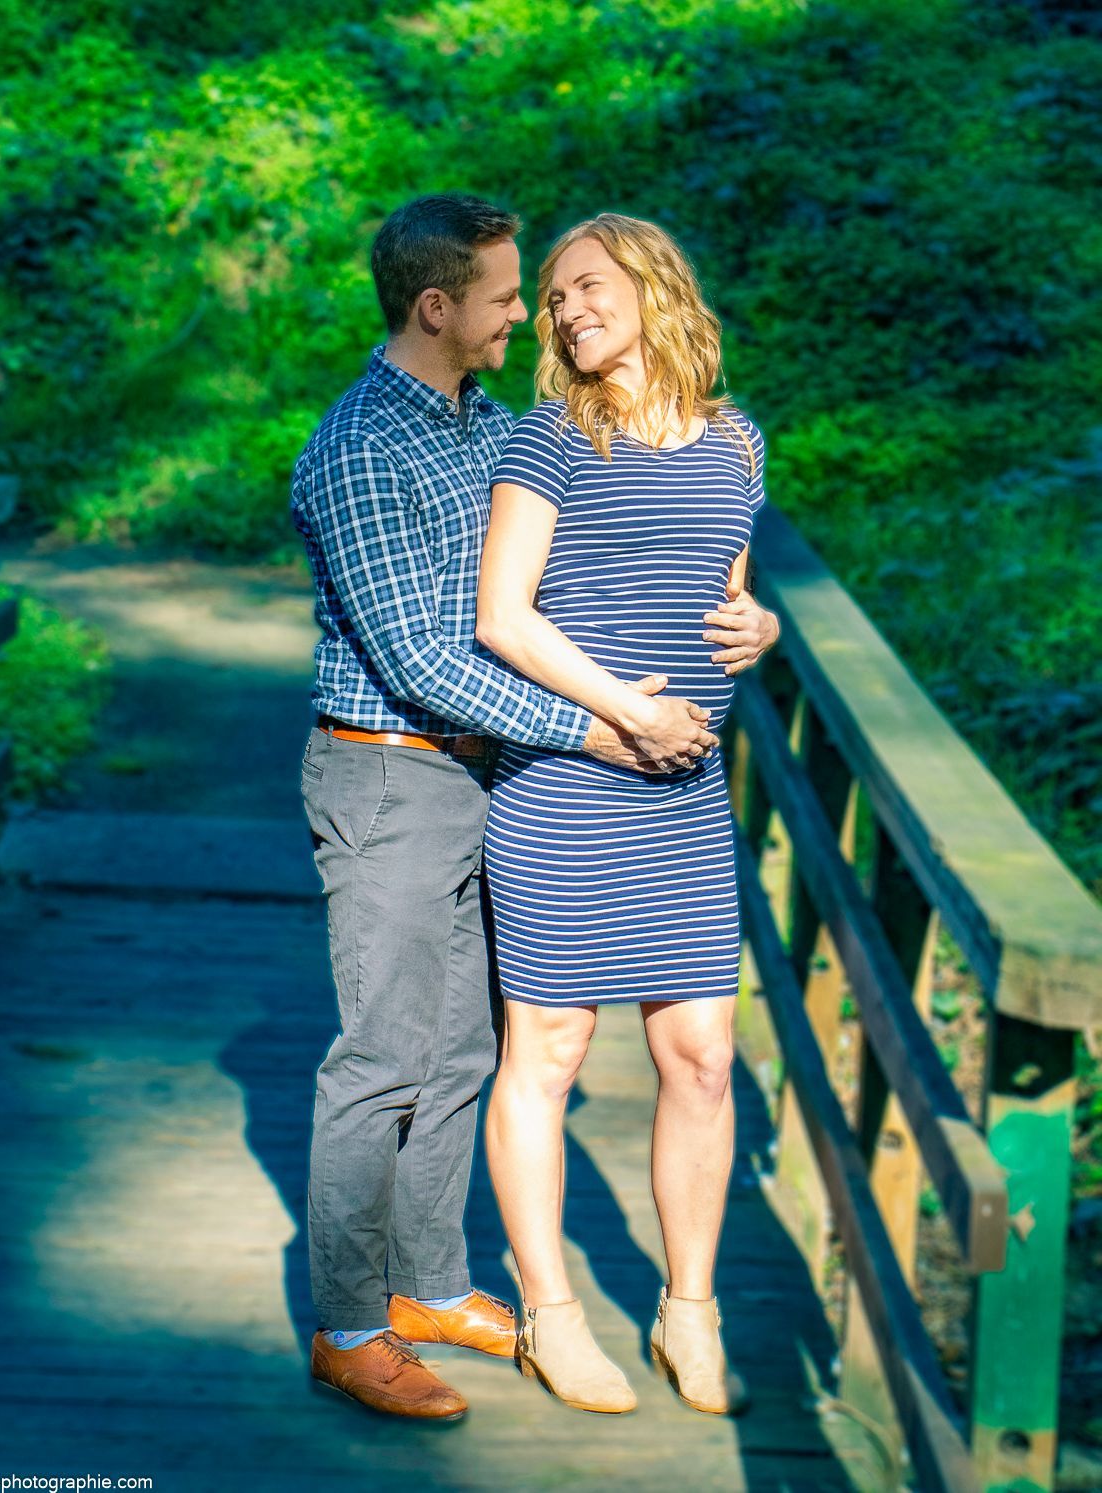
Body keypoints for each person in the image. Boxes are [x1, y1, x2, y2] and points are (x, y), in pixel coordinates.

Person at [290, 194, 775, 1422]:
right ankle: (352, 1323)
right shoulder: (362, 444)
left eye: (556, 290)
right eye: (520, 294)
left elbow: (668, 567)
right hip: (400, 762)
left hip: (492, 767)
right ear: (438, 306)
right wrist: (609, 726)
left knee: (460, 1049)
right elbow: (439, 649)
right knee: (382, 1055)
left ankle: (435, 1283)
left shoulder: (482, 420)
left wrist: (755, 626)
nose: (537, 312)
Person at [477, 213, 771, 1416]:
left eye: (585, 285)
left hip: (686, 797)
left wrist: (765, 630)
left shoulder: (738, 440)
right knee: (545, 1054)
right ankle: (550, 1312)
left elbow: (729, 595)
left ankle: (688, 1311)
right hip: (567, 783)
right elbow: (505, 615)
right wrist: (621, 709)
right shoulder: (548, 440)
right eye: (549, 299)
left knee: (700, 1058)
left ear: (653, 287)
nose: (565, 310)